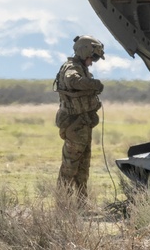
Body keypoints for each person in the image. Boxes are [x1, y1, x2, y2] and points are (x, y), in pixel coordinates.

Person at [53, 35, 105, 196]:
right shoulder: (71, 68)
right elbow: (73, 81)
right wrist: (95, 85)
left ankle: (81, 202)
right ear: (84, 53)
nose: (92, 62)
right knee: (70, 166)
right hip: (74, 125)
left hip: (82, 123)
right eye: (92, 58)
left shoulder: (81, 68)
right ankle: (64, 204)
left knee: (83, 166)